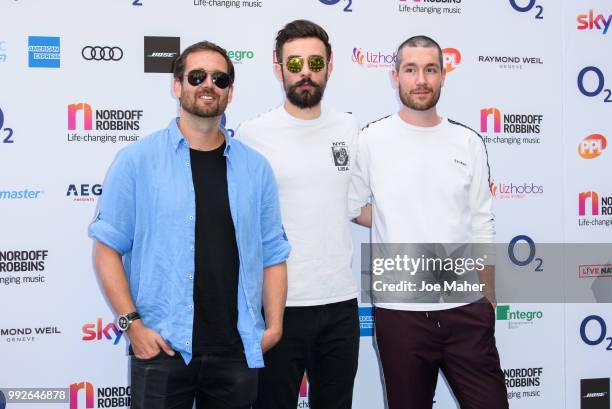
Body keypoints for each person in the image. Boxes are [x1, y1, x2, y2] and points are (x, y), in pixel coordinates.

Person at [89, 40, 290, 409]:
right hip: (162, 347)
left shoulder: (256, 168)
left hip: (236, 350)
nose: (207, 84)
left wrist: (273, 326)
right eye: (196, 76)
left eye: (219, 77)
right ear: (177, 85)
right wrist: (132, 326)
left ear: (230, 91)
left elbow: (274, 253)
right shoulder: (136, 161)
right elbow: (106, 248)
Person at [348, 35, 508, 409]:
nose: (421, 79)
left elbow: (482, 220)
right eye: (411, 69)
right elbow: (354, 207)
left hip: (467, 310)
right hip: (400, 315)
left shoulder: (467, 141)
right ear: (395, 77)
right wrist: (393, 216)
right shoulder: (372, 140)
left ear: (442, 75)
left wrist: (488, 296)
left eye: (430, 69)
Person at [236, 19, 360, 409]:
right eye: (294, 64)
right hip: (277, 306)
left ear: (329, 65)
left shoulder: (351, 128)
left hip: (340, 302)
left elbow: (360, 206)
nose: (305, 72)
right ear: (278, 68)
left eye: (314, 63)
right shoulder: (253, 134)